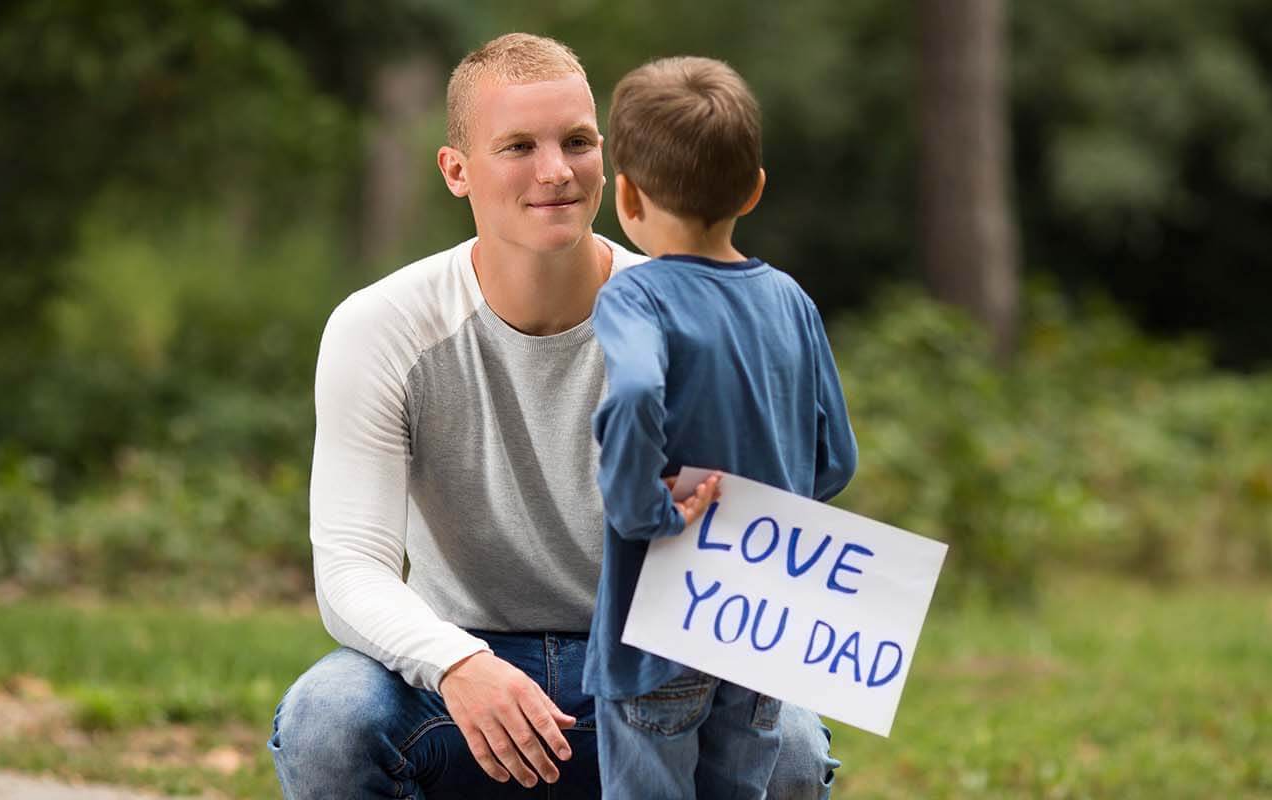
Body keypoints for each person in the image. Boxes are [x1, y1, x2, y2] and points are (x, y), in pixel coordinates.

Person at [266, 33, 841, 799]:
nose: (556, 171)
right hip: (463, 674)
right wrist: (457, 663)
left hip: (648, 665)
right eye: (518, 146)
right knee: (328, 720)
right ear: (456, 170)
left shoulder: (693, 315)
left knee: (793, 746)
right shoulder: (381, 327)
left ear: (609, 160)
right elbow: (350, 568)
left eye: (577, 142)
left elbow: (786, 501)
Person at [584, 55, 859, 798]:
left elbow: (635, 388)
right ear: (755, 188)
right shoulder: (791, 300)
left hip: (661, 625)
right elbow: (837, 460)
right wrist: (771, 499)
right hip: (759, 622)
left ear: (626, 194)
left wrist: (644, 509)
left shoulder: (637, 298)